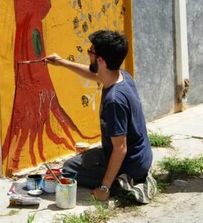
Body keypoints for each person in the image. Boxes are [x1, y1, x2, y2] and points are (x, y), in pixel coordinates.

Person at [43, 30, 156, 203]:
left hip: (130, 163)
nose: (88, 54)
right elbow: (94, 74)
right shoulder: (122, 76)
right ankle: (129, 178)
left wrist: (104, 188)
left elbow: (120, 148)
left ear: (101, 60)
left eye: (91, 52)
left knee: (69, 169)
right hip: (141, 156)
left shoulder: (114, 101)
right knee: (82, 160)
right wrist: (61, 62)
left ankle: (122, 184)